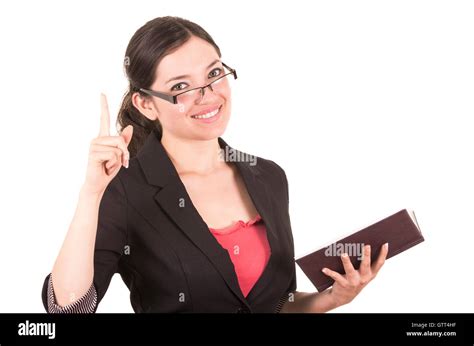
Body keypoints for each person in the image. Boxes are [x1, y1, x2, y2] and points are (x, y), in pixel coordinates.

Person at [41, 16, 388, 313]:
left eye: (214, 73)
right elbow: (69, 307)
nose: (207, 94)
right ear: (146, 105)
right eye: (181, 86)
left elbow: (276, 303)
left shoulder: (268, 176)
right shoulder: (125, 189)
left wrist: (332, 298)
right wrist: (91, 193)